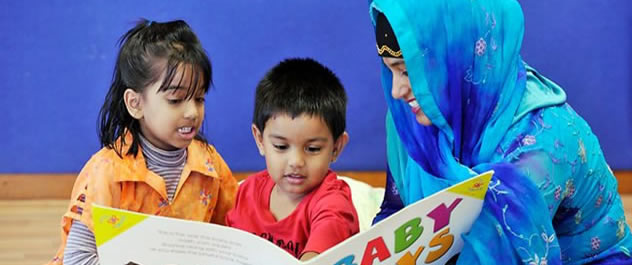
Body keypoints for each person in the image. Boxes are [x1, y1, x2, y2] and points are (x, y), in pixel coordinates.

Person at [368, 0, 632, 264]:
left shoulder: (540, 143)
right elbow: (395, 213)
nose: (396, 91)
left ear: (457, 59)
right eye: (389, 69)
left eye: (406, 71)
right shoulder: (415, 119)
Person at [46, 19, 238, 265]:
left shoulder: (211, 164)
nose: (192, 112)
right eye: (176, 100)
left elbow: (234, 233)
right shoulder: (107, 172)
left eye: (199, 98)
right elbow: (78, 259)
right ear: (135, 104)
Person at [225, 58, 359, 261]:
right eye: (281, 147)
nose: (296, 161)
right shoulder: (246, 193)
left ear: (336, 148)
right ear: (260, 139)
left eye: (313, 149)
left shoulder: (333, 205)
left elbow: (318, 257)